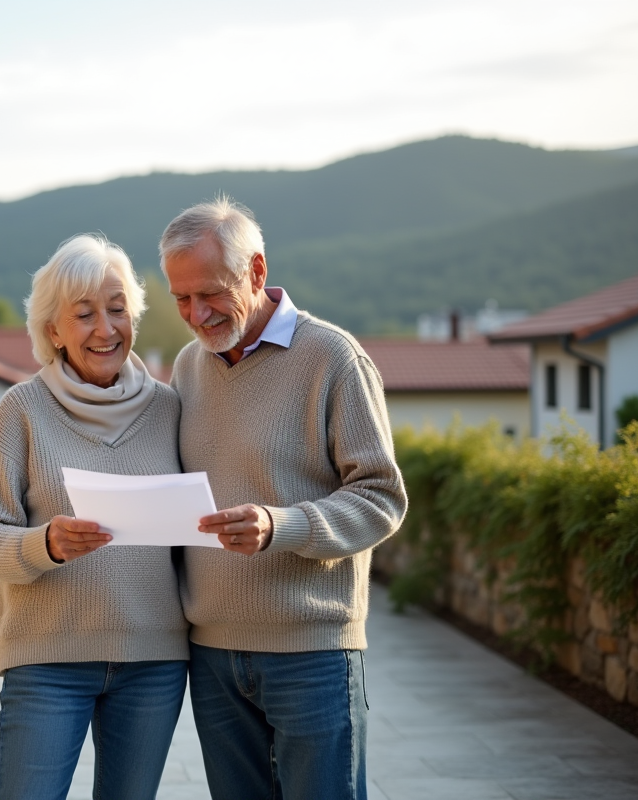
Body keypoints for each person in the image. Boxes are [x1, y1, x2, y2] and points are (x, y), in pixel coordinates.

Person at [160, 198, 408, 800]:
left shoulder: (333, 357)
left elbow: (381, 496)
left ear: (257, 271)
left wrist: (283, 525)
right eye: (181, 299)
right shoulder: (188, 367)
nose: (196, 313)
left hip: (312, 653)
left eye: (211, 293)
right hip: (213, 657)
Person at [0, 234, 188, 800]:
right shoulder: (22, 411)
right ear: (53, 331)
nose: (105, 329)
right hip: (47, 663)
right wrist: (46, 545)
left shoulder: (170, 408)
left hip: (153, 662)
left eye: (117, 310)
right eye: (84, 314)